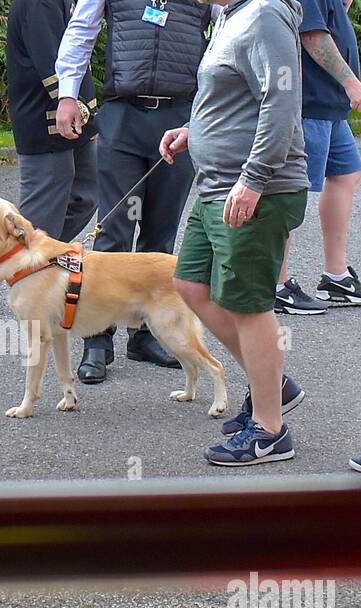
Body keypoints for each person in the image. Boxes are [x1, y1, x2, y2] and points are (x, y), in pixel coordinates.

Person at [160, 0, 309, 466]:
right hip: (215, 187)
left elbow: (281, 98)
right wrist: (195, 129)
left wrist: (254, 178)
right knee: (189, 283)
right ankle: (274, 385)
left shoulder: (265, 14)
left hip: (254, 189)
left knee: (248, 305)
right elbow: (235, 94)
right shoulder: (229, 16)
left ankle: (269, 432)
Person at [55, 0, 218, 384]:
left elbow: (228, 33)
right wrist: (66, 94)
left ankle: (147, 335)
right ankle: (97, 341)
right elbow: (80, 31)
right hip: (123, 116)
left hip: (181, 117)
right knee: (113, 232)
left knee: (161, 234)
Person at [274, 0, 361, 314]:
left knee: (347, 175)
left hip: (330, 107)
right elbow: (313, 35)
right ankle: (276, 285)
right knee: (291, 190)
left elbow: (332, 20)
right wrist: (351, 83)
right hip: (311, 104)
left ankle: (336, 278)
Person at [7, 0, 98, 244]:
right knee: (40, 216)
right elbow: (51, 59)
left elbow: (78, 55)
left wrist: (90, 114)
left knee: (86, 196)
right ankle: (25, 264)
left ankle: (39, 256)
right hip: (43, 118)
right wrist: (74, 104)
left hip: (76, 116)